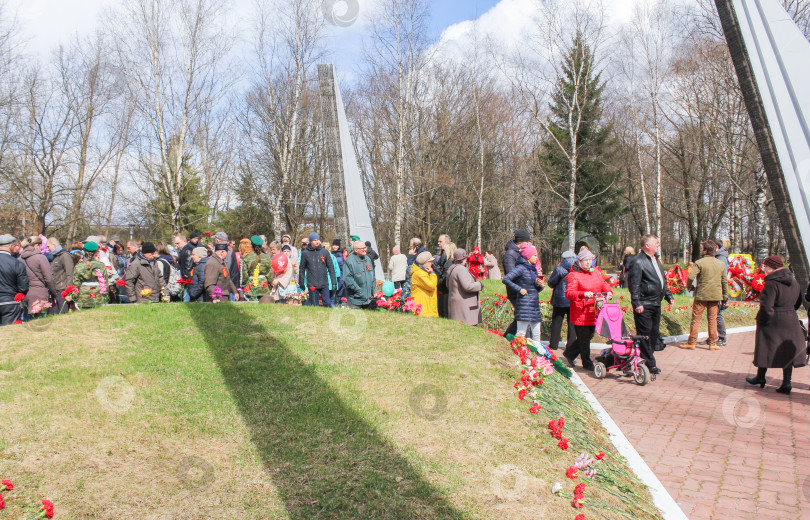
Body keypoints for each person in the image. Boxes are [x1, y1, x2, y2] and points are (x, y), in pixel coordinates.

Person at [745, 256, 807, 394]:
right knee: (786, 350)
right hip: (790, 319)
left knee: (764, 345)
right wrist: (788, 311)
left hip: (773, 320)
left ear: (772, 267)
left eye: (766, 267)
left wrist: (762, 319)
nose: (764, 270)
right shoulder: (793, 281)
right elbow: (798, 302)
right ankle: (787, 383)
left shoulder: (771, 283)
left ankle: (761, 377)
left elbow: (767, 306)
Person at [628, 234, 674, 375]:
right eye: (656, 243)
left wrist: (668, 295)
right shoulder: (638, 261)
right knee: (645, 334)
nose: (658, 245)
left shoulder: (656, 260)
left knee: (654, 334)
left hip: (656, 302)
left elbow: (662, 280)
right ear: (647, 245)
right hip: (644, 303)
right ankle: (650, 363)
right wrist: (637, 303)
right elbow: (633, 285)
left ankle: (645, 358)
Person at [564, 249, 613, 370]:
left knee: (589, 335)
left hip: (594, 309)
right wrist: (582, 294)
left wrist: (608, 291)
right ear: (579, 261)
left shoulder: (595, 272)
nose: (588, 262)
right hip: (581, 311)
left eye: (590, 260)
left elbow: (603, 283)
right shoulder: (573, 275)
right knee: (584, 338)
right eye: (585, 260)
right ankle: (587, 363)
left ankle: (570, 353)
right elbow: (569, 293)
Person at [681, 240, 729, 350]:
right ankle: (712, 343)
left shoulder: (699, 262)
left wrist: (690, 287)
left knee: (696, 319)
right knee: (713, 319)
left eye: (702, 248)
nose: (701, 250)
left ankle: (692, 342)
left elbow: (691, 277)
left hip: (701, 295)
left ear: (706, 250)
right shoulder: (720, 263)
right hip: (715, 296)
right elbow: (724, 282)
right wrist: (725, 296)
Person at [503, 244, 545, 339]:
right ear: (528, 256)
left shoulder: (533, 269)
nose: (536, 258)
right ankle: (520, 352)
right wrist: (519, 289)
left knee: (537, 334)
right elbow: (506, 279)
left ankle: (537, 353)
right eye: (534, 255)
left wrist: (541, 285)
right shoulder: (520, 268)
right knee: (521, 334)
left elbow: (534, 289)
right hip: (524, 305)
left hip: (534, 306)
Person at [19, 236, 58, 319]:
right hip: (40, 293)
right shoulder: (40, 258)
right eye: (41, 246)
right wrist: (54, 293)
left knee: (27, 323)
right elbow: (49, 278)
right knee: (41, 322)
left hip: (24, 294)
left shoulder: (19, 259)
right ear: (37, 245)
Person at [503, 230, 532, 337]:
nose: (529, 244)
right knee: (525, 317)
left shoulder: (520, 252)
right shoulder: (510, 254)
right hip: (516, 291)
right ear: (520, 241)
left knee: (521, 317)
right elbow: (511, 274)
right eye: (527, 241)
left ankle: (506, 338)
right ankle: (525, 342)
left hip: (523, 289)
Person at [547, 251, 578, 350]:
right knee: (572, 324)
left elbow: (551, 283)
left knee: (556, 322)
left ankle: (553, 345)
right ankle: (571, 346)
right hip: (573, 298)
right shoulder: (578, 269)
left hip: (560, 299)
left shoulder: (559, 268)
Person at [446, 248, 484, 325]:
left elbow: (447, 285)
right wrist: (480, 284)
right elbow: (468, 286)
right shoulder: (461, 269)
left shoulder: (452, 267)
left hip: (456, 303)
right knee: (468, 330)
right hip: (463, 306)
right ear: (464, 258)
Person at [298, 232, 336, 307]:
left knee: (327, 303)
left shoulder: (324, 252)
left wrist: (334, 282)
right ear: (310, 242)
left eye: (318, 239)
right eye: (315, 240)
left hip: (324, 282)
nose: (317, 241)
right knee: (314, 305)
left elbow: (331, 267)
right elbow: (302, 269)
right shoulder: (305, 253)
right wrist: (301, 282)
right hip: (312, 283)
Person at [71, 241, 110, 309]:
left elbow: (76, 283)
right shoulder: (101, 265)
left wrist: (75, 297)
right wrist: (105, 296)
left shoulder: (79, 266)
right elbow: (105, 282)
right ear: (96, 252)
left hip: (83, 296)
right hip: (98, 296)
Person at [0, 234, 29, 325]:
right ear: (11, 246)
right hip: (10, 302)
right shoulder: (16, 263)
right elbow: (23, 286)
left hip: (9, 301)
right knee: (9, 333)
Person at [706, 238, 729, 347]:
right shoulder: (719, 257)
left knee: (717, 314)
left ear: (717, 247)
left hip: (717, 290)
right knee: (713, 314)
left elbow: (721, 276)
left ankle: (722, 338)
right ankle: (712, 336)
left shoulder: (721, 259)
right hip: (715, 289)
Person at [342, 241, 376, 309]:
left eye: (365, 247)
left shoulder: (368, 259)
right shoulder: (349, 261)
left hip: (368, 300)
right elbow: (348, 279)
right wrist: (359, 291)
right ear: (356, 250)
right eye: (362, 248)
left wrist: (373, 290)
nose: (365, 249)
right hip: (355, 301)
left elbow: (372, 275)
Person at [241, 235, 273, 299]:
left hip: (251, 286)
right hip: (264, 286)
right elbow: (269, 273)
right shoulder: (266, 257)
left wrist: (244, 285)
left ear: (251, 245)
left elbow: (245, 274)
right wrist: (270, 284)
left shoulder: (247, 258)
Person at [47, 237, 74, 313]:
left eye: (48, 246)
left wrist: (68, 292)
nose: (48, 249)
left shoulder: (65, 256)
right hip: (56, 290)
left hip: (63, 291)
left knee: (63, 314)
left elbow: (70, 274)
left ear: (54, 245)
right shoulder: (55, 257)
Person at [410, 251, 438, 317]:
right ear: (425, 263)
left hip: (426, 308)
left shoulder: (423, 272)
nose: (432, 263)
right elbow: (432, 286)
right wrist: (433, 274)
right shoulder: (419, 274)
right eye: (430, 261)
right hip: (423, 310)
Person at [214, 232, 240, 301]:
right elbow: (235, 271)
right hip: (231, 286)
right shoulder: (231, 251)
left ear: (217, 240)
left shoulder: (216, 252)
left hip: (220, 288)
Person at [435, 234, 455, 318]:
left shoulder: (448, 261)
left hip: (444, 290)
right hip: (444, 289)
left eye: (440, 241)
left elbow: (444, 277)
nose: (438, 243)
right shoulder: (445, 258)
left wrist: (435, 269)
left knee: (443, 311)